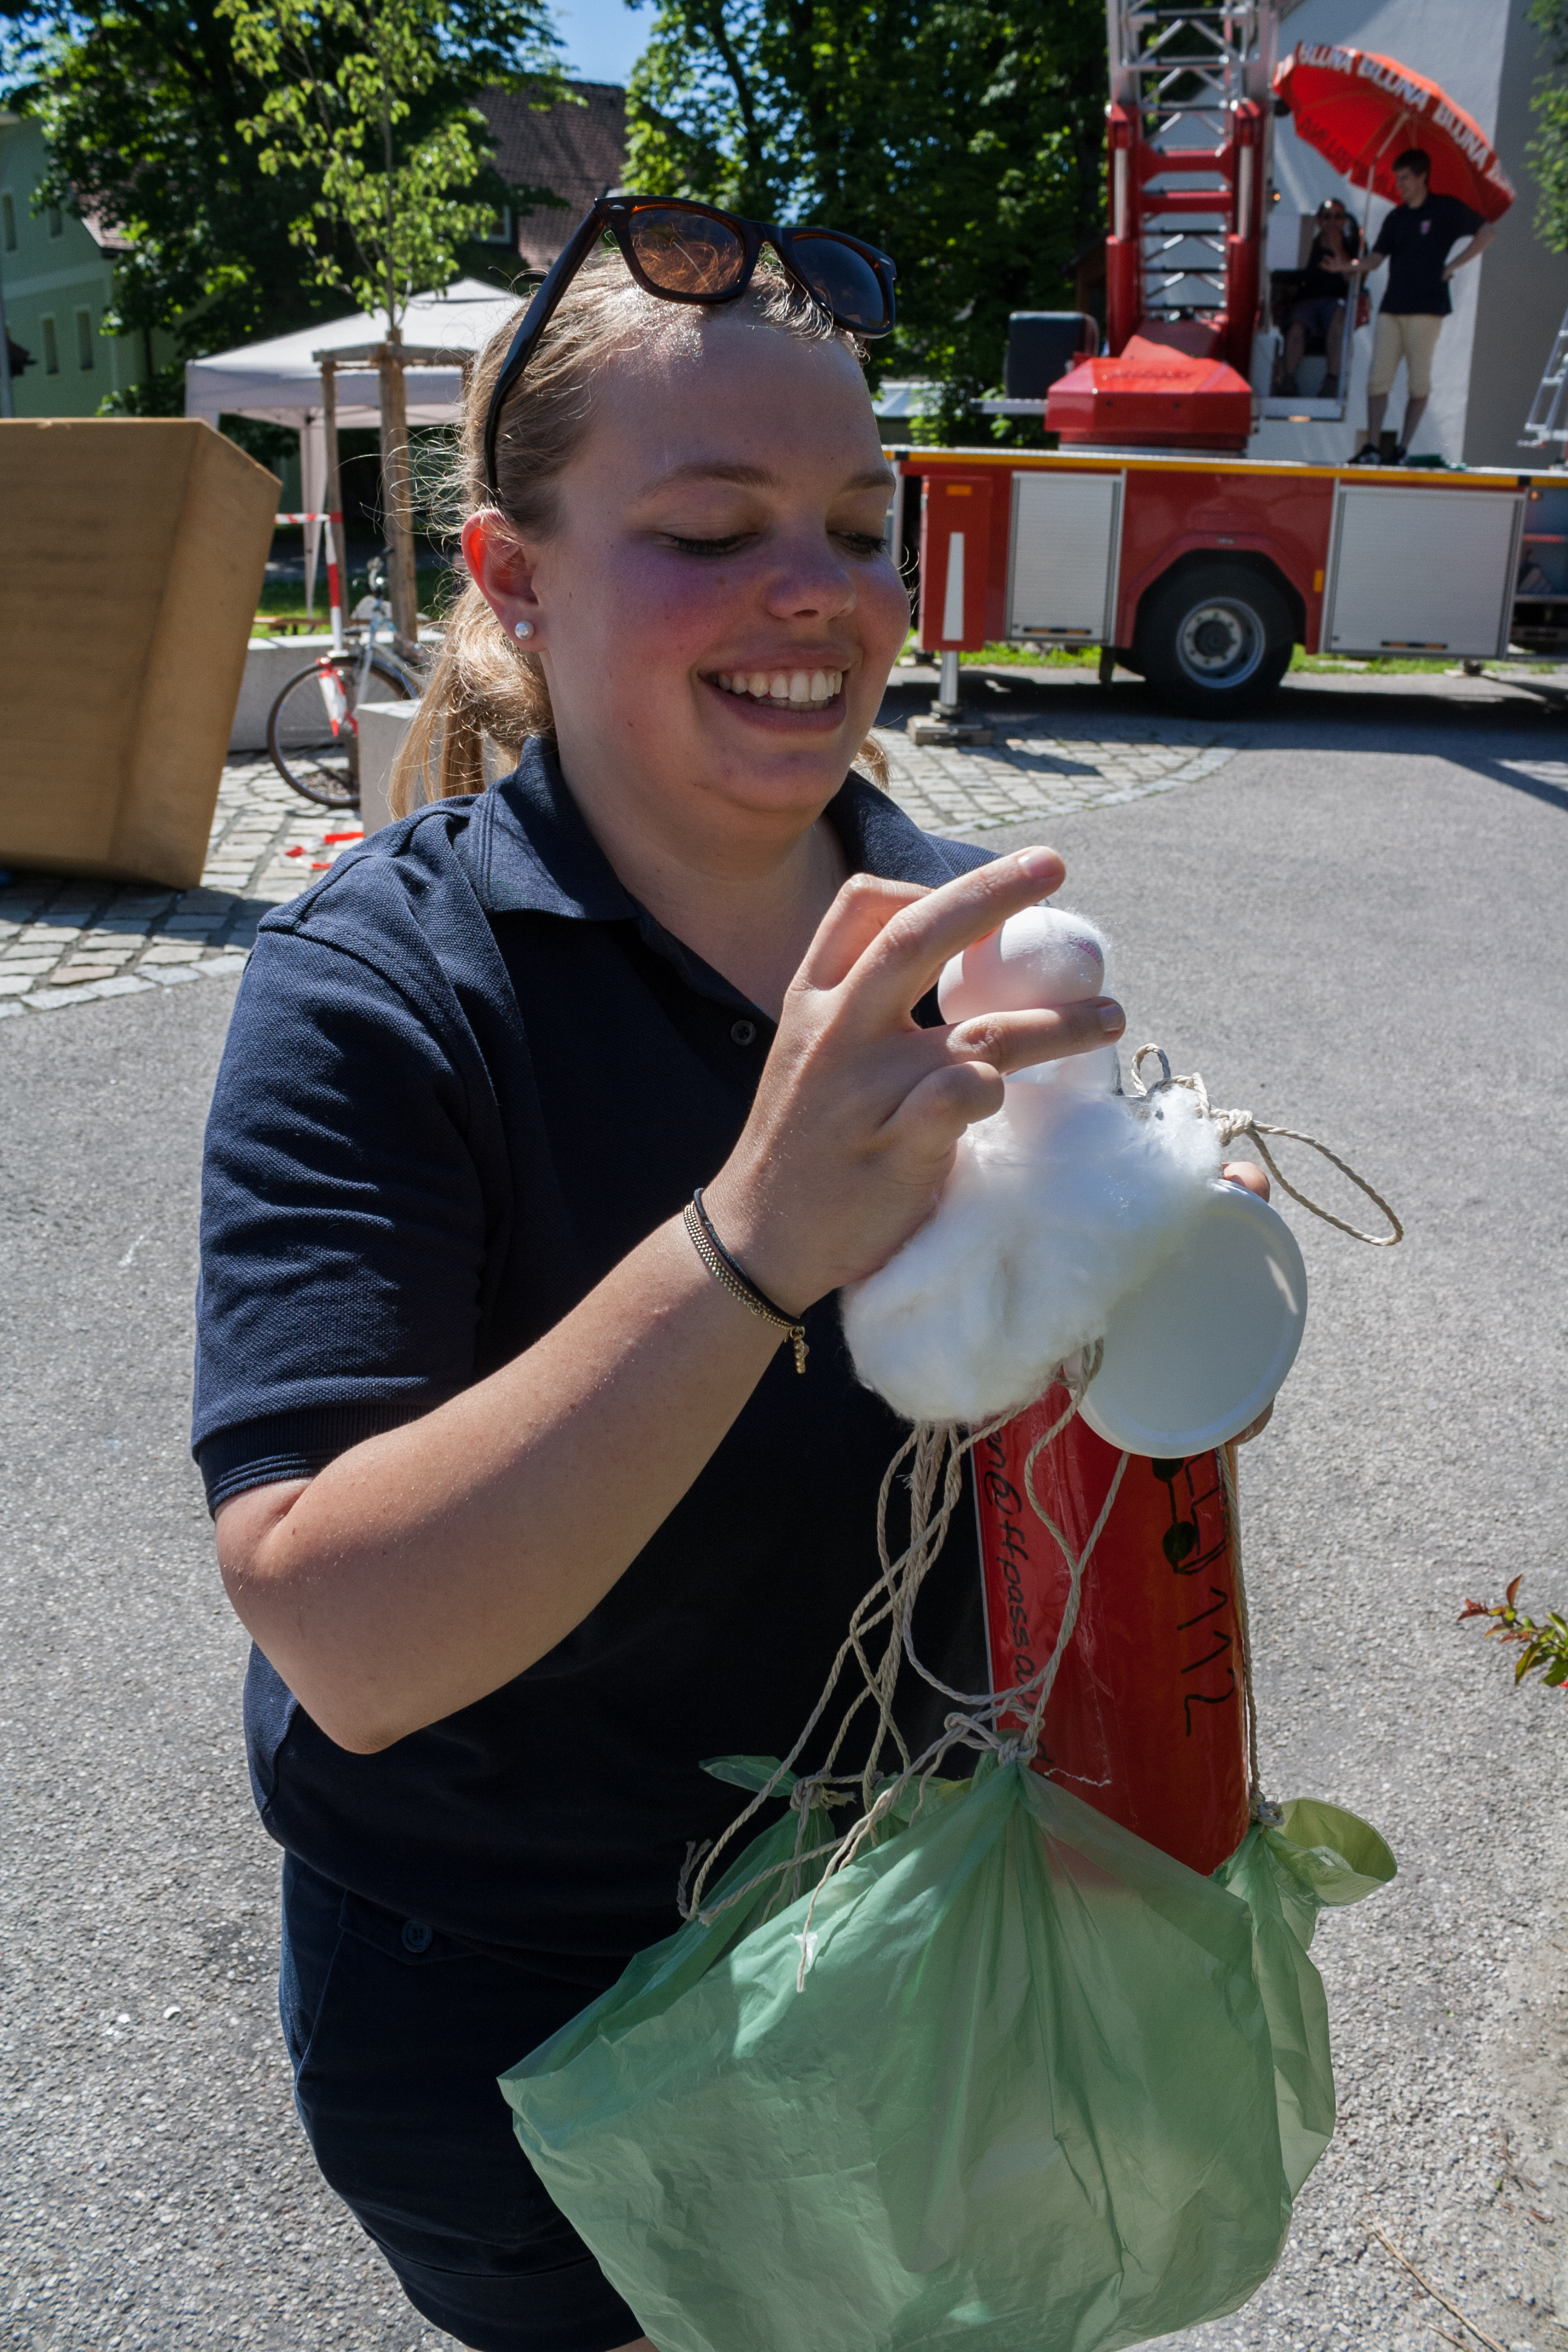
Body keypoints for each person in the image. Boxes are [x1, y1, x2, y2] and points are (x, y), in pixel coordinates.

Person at [194, 198, 1273, 2352]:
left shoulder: (957, 923)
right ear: (512, 574)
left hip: (912, 1928)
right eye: (706, 527)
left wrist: (1170, 1268)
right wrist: (746, 1243)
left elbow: (1080, 1453)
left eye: (856, 521)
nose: (814, 591)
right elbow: (342, 1628)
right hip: (517, 2010)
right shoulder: (385, 986)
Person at [1325, 146, 1495, 463]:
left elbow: (1487, 232)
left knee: (1419, 380)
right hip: (1393, 308)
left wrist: (1452, 266)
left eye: (1404, 178)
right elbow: (1375, 261)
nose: (1399, 184)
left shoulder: (1445, 209)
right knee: (1378, 378)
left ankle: (1402, 448)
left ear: (1422, 177)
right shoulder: (1396, 217)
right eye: (1397, 178)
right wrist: (1345, 267)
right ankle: (1373, 447)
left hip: (1428, 309)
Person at [1278, 197, 1359, 399]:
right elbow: (1291, 281)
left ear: (1344, 221)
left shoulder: (1351, 248)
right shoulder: (1308, 248)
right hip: (1308, 302)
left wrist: (1338, 249)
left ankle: (1332, 379)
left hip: (1335, 302)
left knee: (1338, 318)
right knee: (1297, 323)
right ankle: (1289, 379)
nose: (1332, 222)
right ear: (1319, 221)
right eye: (1327, 217)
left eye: (1338, 217)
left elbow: (1353, 277)